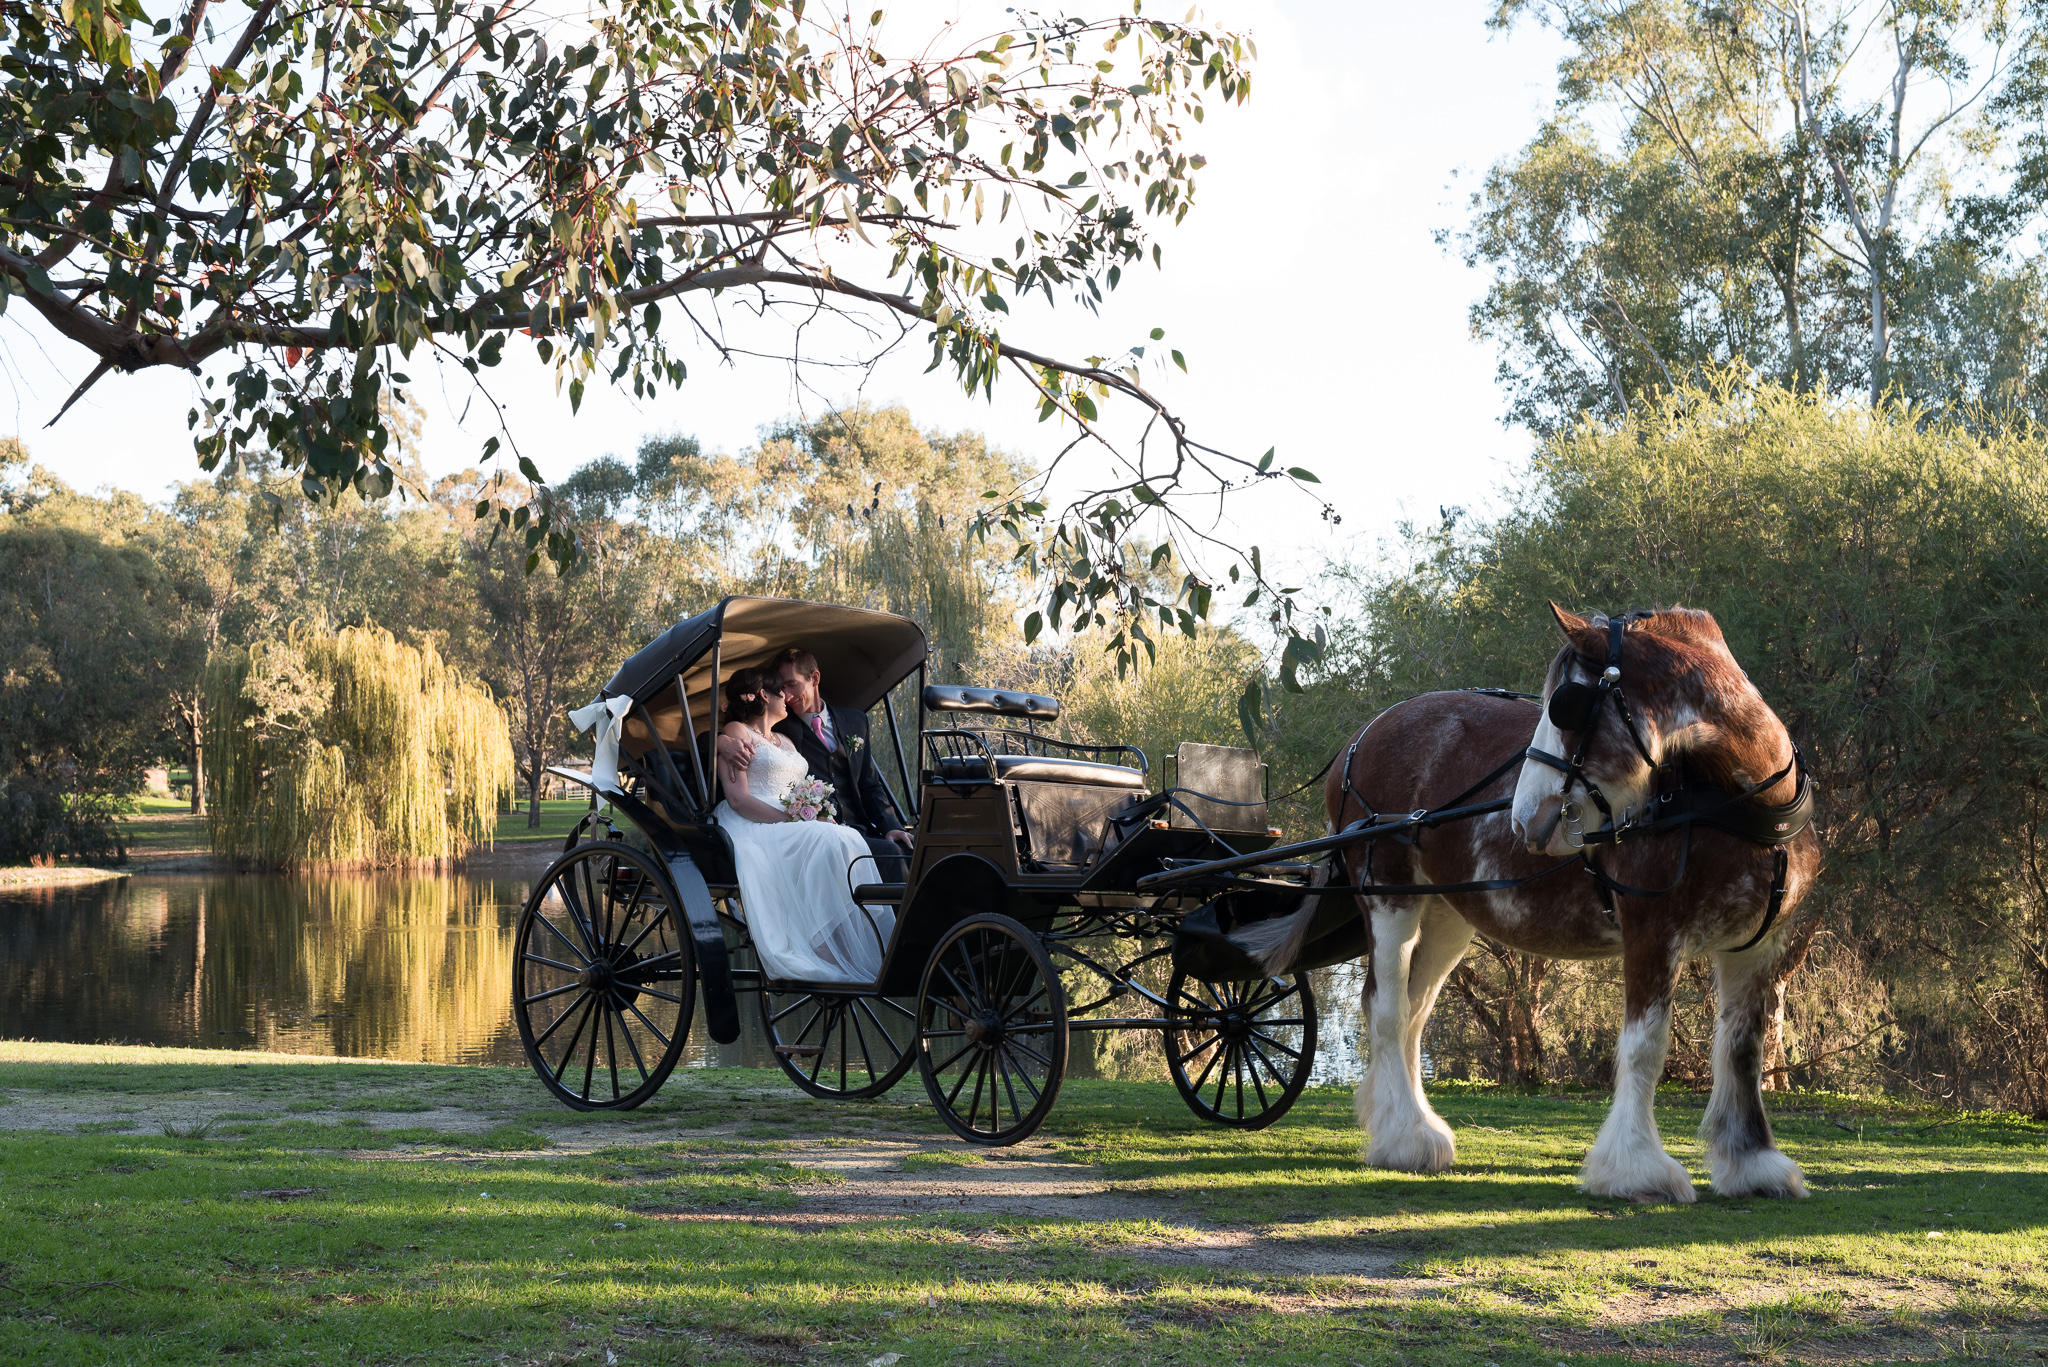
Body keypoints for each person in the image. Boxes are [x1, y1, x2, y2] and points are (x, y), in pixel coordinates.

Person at [713, 668, 896, 984]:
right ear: (761, 697)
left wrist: (814, 811)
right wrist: (792, 819)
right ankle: (822, 945)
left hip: (790, 820)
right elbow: (739, 800)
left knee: (846, 837)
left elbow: (797, 787)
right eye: (778, 690)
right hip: (751, 821)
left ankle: (847, 942)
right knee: (827, 839)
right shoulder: (736, 733)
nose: (785, 696)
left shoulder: (784, 738)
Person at [720, 646, 914, 883]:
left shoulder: (856, 721)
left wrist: (891, 827)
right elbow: (734, 733)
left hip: (859, 827)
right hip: (814, 830)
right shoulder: (779, 724)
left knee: (908, 851)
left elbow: (869, 784)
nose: (787, 695)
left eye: (792, 684)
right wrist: (721, 742)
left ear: (814, 678)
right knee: (889, 855)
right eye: (781, 688)